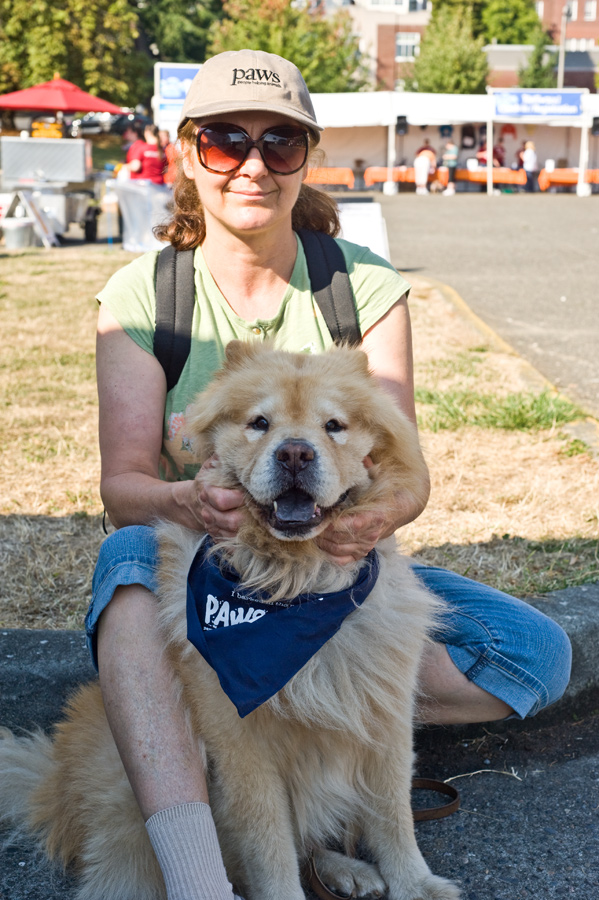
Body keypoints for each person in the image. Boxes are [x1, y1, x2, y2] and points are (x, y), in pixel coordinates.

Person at [88, 48, 572, 900]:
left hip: (338, 564)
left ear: (305, 156)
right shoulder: (143, 295)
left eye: (279, 143)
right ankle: (202, 876)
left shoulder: (364, 286)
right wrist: (186, 499)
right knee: (126, 561)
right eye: (225, 140)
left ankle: (320, 771)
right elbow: (122, 484)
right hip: (217, 566)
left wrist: (370, 523)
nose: (251, 164)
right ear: (187, 150)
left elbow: (406, 474)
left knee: (531, 651)